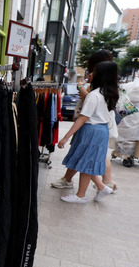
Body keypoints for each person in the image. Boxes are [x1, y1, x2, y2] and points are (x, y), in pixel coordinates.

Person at [51, 50, 118, 190]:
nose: (90, 74)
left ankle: (100, 186)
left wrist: (65, 137)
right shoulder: (109, 91)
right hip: (101, 128)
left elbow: (84, 116)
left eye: (93, 71)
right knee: (87, 157)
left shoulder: (95, 94)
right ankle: (101, 185)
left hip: (91, 127)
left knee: (85, 157)